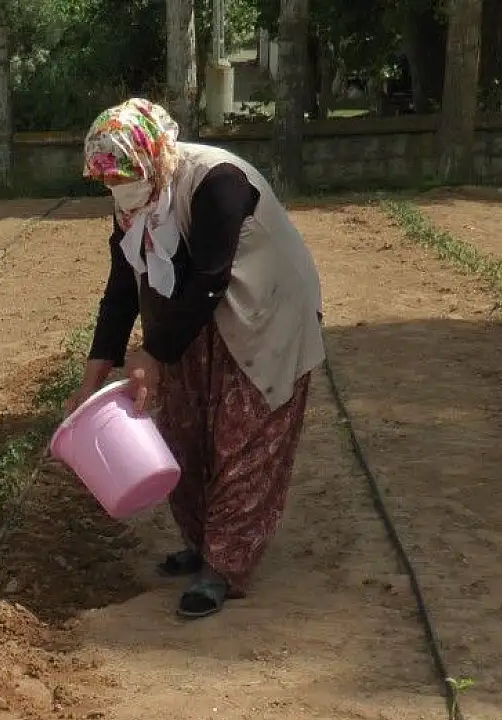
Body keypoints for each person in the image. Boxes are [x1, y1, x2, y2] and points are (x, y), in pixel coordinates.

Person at [68, 97, 325, 620]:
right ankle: (201, 539)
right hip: (194, 317)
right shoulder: (136, 201)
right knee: (184, 429)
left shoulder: (216, 181)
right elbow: (122, 286)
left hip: (264, 312)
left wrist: (153, 352)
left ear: (152, 155)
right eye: (108, 180)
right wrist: (97, 368)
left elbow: (210, 277)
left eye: (123, 175)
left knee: (244, 437)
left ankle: (222, 566)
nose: (117, 188)